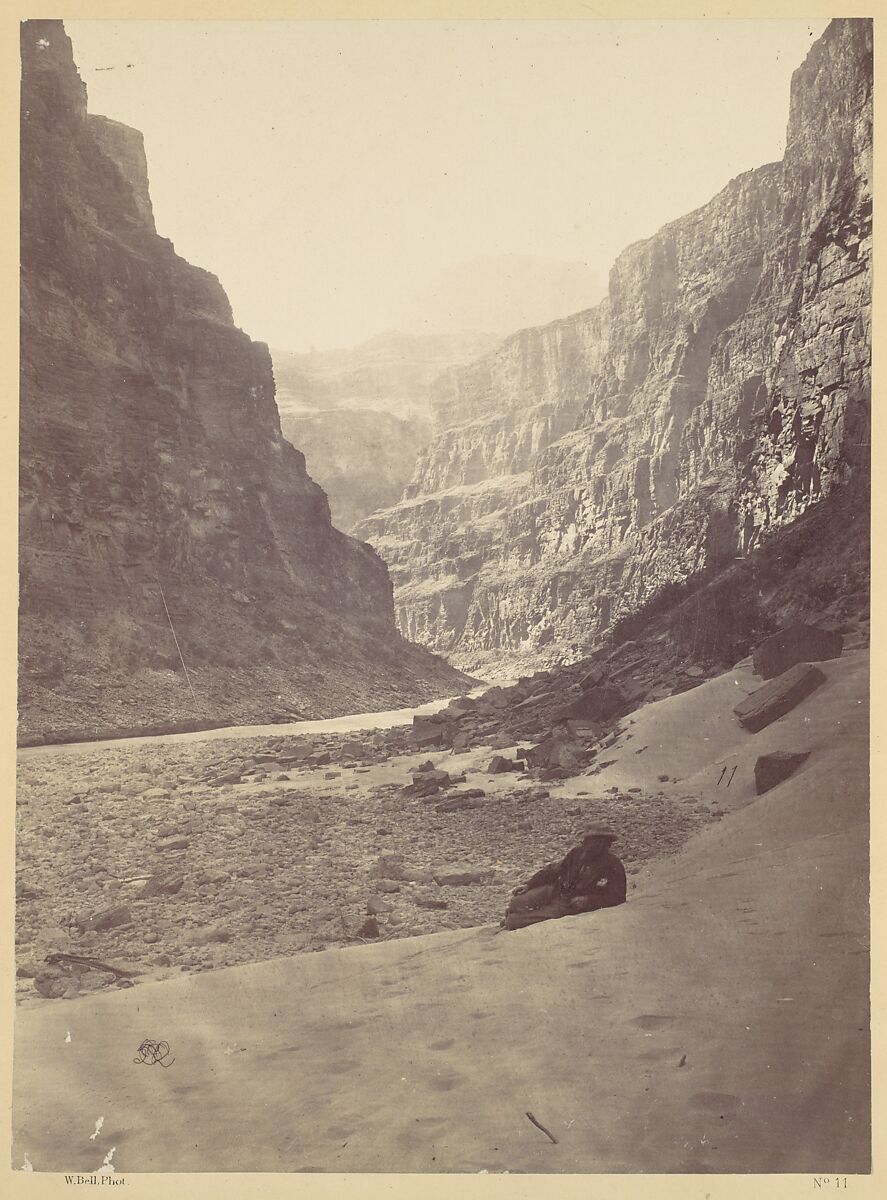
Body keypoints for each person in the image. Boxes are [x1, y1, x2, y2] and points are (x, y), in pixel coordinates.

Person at [502, 824, 626, 930]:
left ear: (602, 843)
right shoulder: (577, 853)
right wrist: (529, 884)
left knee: (514, 921)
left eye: (589, 840)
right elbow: (554, 870)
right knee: (516, 902)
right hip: (556, 890)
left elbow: (617, 897)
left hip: (570, 904)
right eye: (585, 840)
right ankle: (516, 915)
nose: (584, 843)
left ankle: (514, 920)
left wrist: (588, 900)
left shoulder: (613, 865)